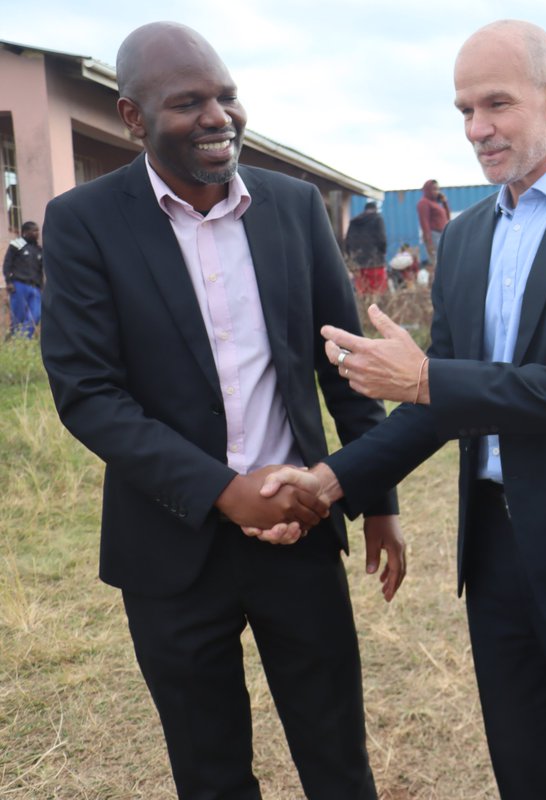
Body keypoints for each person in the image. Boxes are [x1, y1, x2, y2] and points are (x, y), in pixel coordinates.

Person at [261, 19, 546, 800]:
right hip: (493, 553)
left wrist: (428, 382)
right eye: (463, 110)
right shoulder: (471, 234)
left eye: (496, 105)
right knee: (526, 769)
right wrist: (329, 483)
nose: (477, 129)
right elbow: (437, 405)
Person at [38, 22, 404, 800]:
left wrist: (376, 498)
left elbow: (344, 365)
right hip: (169, 549)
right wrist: (219, 490)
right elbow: (88, 393)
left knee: (338, 759)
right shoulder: (85, 223)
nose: (218, 117)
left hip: (299, 532)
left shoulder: (295, 207)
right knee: (210, 775)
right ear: (133, 117)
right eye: (189, 103)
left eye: (228, 96)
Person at [3, 220, 43, 338]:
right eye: (34, 230)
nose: (37, 233)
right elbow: (7, 264)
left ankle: (22, 338)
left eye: (38, 230)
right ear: (25, 232)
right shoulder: (16, 245)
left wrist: (41, 287)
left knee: (36, 315)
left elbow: (41, 271)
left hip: (35, 288)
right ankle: (17, 343)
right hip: (18, 285)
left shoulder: (39, 250)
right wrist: (8, 281)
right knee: (18, 317)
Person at [346, 200, 389, 294]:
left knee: (363, 293)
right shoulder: (378, 219)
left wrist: (351, 260)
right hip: (375, 263)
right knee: (377, 293)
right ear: (375, 209)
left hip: (358, 264)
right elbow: (382, 239)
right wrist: (383, 252)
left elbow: (347, 242)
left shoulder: (354, 222)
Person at [416, 179, 450, 268]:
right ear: (427, 190)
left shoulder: (435, 203)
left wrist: (444, 202)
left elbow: (448, 218)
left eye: (438, 189)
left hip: (442, 235)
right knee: (438, 264)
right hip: (434, 236)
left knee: (446, 262)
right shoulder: (423, 203)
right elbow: (424, 223)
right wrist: (429, 243)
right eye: (434, 189)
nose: (437, 192)